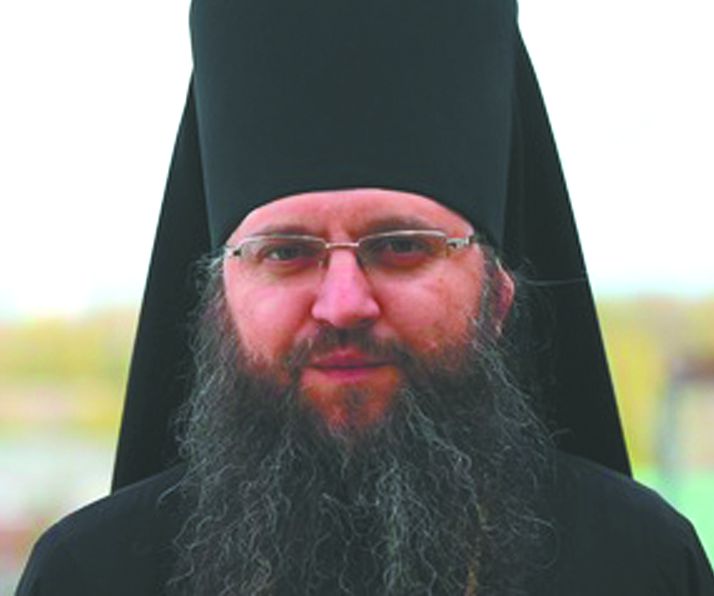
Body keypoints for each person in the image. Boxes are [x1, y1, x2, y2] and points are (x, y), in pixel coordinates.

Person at [16, 1, 714, 594]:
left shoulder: (639, 564)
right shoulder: (92, 574)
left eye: (401, 246)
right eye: (285, 253)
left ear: (498, 297)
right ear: (217, 306)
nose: (343, 304)